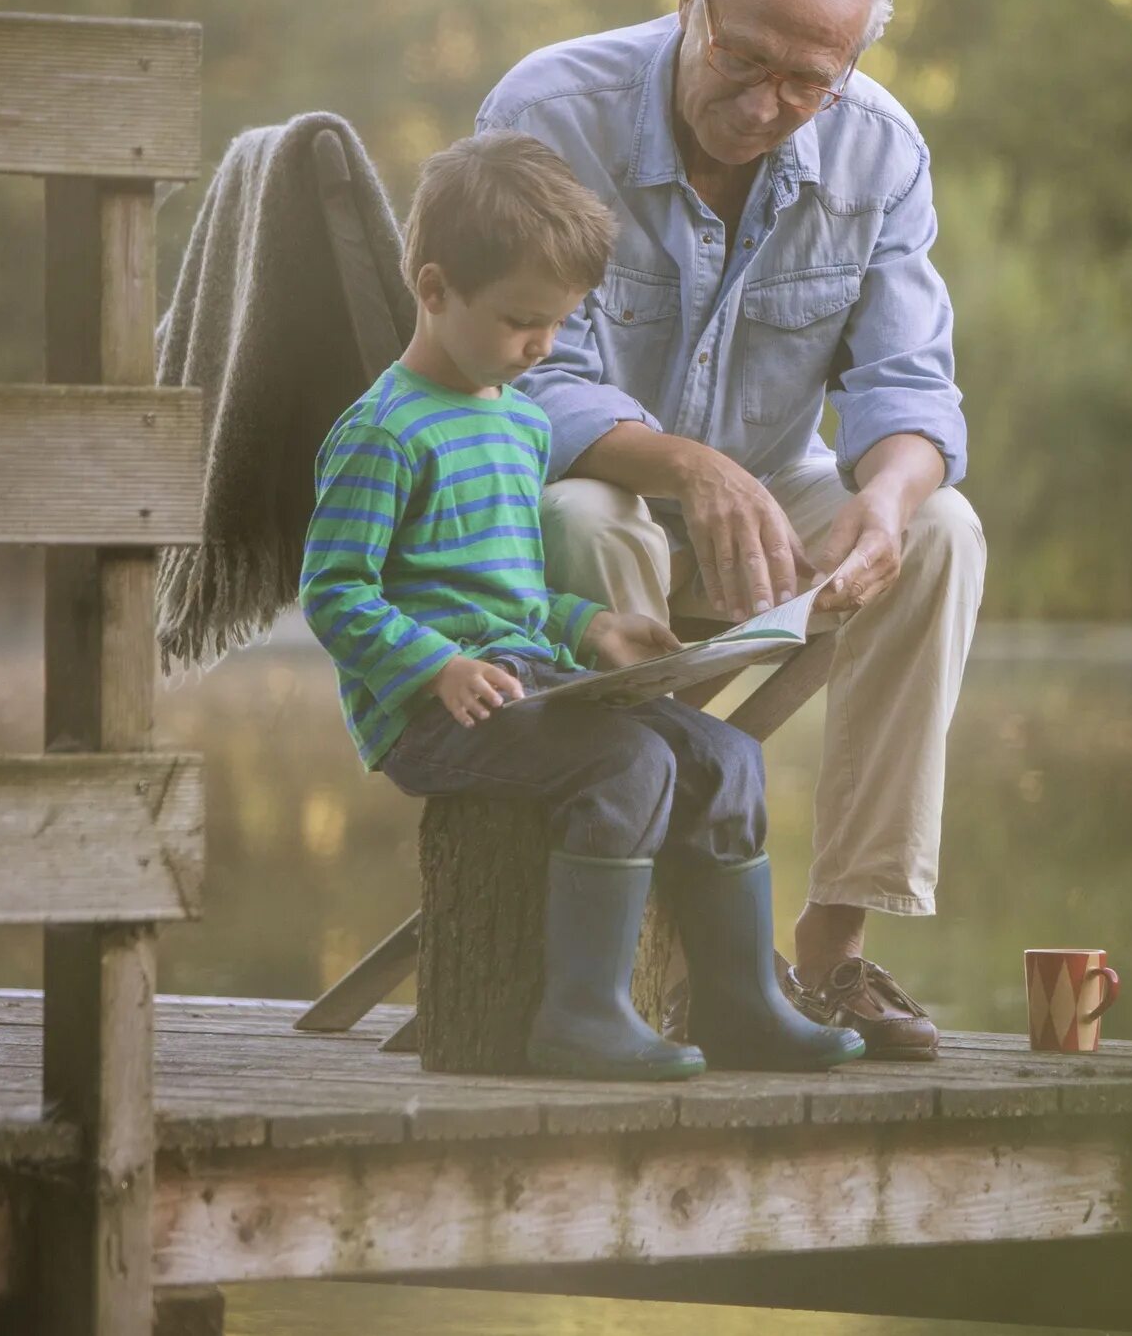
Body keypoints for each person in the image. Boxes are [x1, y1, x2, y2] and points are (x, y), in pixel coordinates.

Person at [479, 0, 985, 1058]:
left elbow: (911, 389)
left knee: (944, 530)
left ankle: (833, 950)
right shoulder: (551, 111)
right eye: (743, 59)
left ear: (851, 64)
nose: (766, 106)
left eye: (808, 81)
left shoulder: (883, 150)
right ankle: (664, 940)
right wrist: (688, 467)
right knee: (588, 516)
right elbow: (526, 386)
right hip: (586, 499)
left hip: (767, 503)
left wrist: (887, 500)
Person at [299, 130, 864, 1080]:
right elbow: (335, 592)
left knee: (725, 754)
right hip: (429, 712)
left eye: (559, 324)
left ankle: (739, 1006)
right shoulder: (383, 432)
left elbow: (509, 595)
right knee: (627, 762)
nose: (543, 347)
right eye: (523, 321)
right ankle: (582, 1013)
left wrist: (591, 626)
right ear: (433, 290)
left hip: (529, 681)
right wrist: (436, 665)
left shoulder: (519, 421)